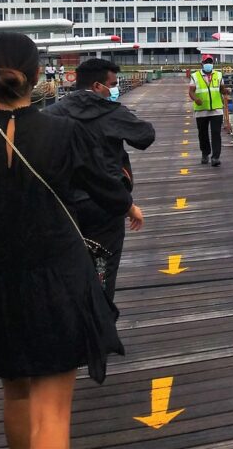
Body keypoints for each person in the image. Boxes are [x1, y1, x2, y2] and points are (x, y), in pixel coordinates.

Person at [0, 32, 132, 448]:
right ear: (38, 76)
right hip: (57, 279)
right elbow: (110, 191)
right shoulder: (64, 135)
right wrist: (128, 205)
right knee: (51, 414)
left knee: (16, 395)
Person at [44, 57, 152, 307]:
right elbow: (145, 136)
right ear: (96, 86)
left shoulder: (51, 113)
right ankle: (100, 330)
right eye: (112, 84)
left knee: (65, 269)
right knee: (104, 269)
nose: (114, 89)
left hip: (62, 205)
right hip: (106, 203)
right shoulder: (111, 112)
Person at [188, 54, 229, 167]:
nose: (208, 64)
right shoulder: (195, 76)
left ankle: (215, 157)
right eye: (206, 62)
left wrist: (226, 91)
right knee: (203, 134)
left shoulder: (219, 75)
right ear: (202, 64)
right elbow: (191, 91)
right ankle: (205, 153)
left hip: (216, 109)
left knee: (216, 133)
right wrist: (196, 99)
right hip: (201, 110)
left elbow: (221, 89)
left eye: (210, 62)